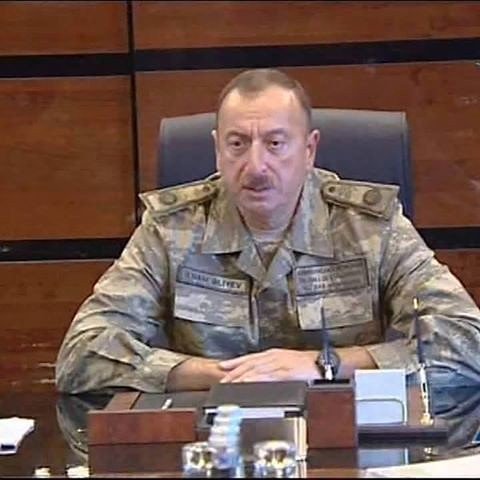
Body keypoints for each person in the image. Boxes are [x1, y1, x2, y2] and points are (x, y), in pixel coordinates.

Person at [56, 68, 480, 394]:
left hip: (347, 438)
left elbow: (467, 342)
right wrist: (223, 376)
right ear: (217, 149)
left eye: (275, 144)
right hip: (209, 444)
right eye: (237, 144)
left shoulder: (369, 225)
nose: (256, 166)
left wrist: (324, 366)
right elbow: (82, 354)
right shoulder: (172, 229)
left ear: (309, 149)